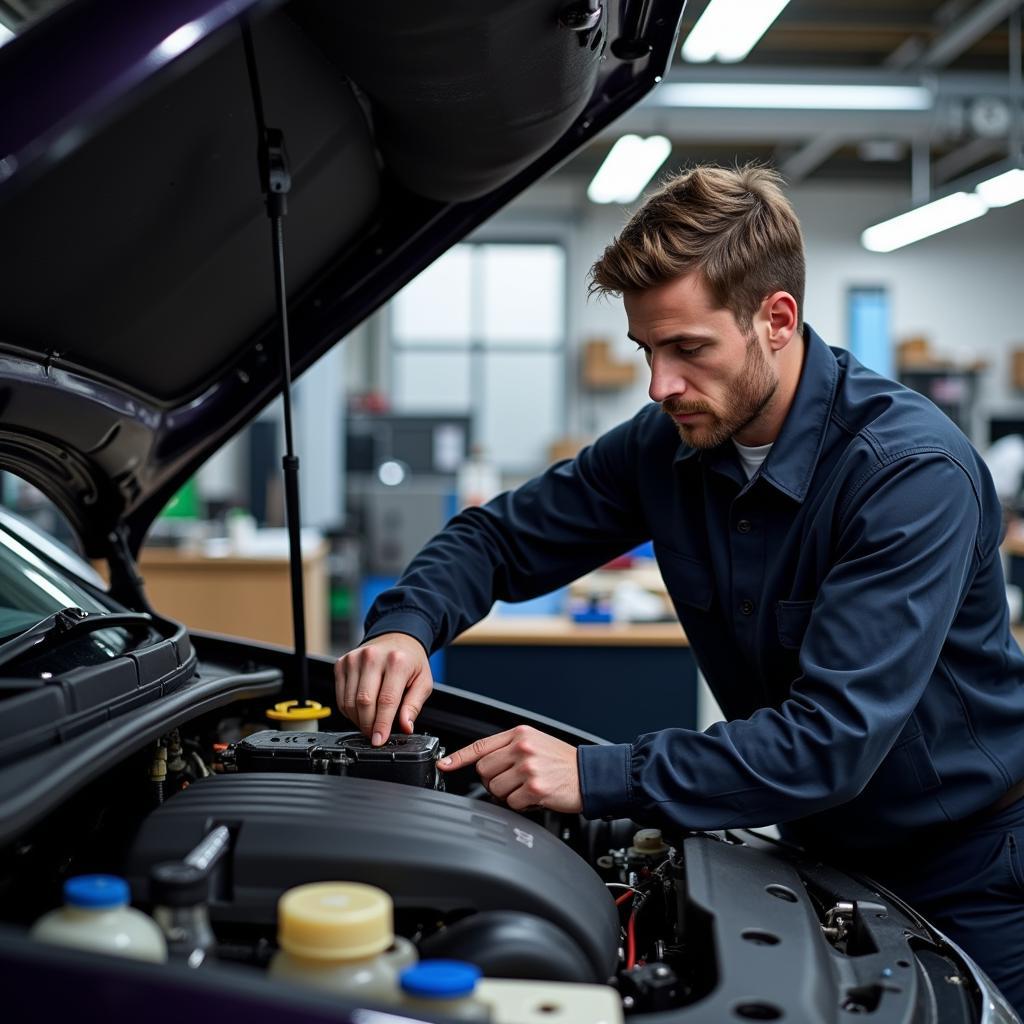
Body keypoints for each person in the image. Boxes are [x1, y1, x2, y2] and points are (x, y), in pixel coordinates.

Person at [335, 164, 1024, 1009]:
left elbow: (831, 740)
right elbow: (497, 538)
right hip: (819, 850)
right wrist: (406, 625)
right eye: (646, 350)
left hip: (972, 871)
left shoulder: (908, 476)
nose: (660, 385)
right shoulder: (668, 443)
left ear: (776, 319)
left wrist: (597, 774)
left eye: (689, 349)